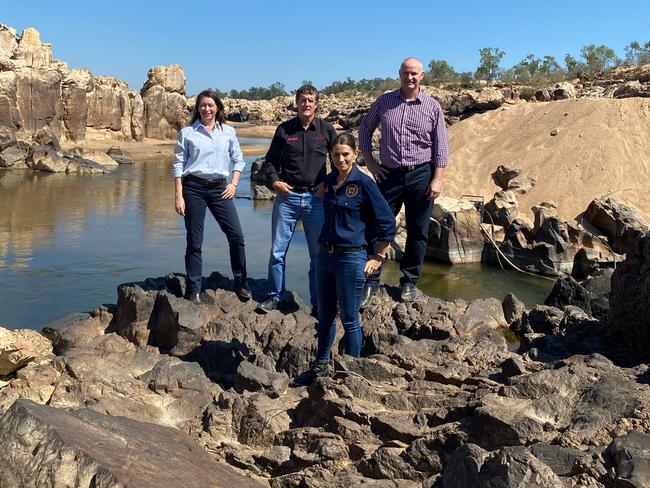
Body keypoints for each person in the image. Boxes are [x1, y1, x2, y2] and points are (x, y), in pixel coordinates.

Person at [292, 133, 395, 386]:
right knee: (325, 317)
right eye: (336, 154)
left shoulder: (364, 183)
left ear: (355, 154)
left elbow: (387, 222)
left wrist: (378, 257)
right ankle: (320, 367)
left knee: (350, 319)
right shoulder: (329, 181)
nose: (341, 159)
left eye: (345, 154)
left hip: (351, 258)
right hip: (325, 257)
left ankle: (350, 374)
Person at [358, 57, 449, 306]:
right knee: (378, 226)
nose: (410, 77)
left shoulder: (432, 107)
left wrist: (437, 179)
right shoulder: (384, 101)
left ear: (422, 76)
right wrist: (370, 163)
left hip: (421, 174)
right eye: (406, 73)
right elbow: (364, 129)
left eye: (414, 74)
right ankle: (371, 280)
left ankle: (409, 281)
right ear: (400, 74)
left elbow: (441, 146)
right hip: (389, 174)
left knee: (418, 231)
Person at [256, 85, 337, 315]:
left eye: (311, 100)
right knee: (277, 252)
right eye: (303, 100)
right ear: (296, 103)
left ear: (317, 104)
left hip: (316, 199)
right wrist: (274, 182)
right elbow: (270, 161)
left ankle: (318, 303)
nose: (307, 104)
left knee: (318, 255)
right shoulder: (284, 129)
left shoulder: (326, 130)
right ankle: (275, 296)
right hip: (287, 198)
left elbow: (340, 160)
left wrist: (328, 183)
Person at [173, 89, 251, 305]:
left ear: (218, 107)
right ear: (198, 108)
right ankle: (194, 289)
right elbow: (178, 164)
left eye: (211, 105)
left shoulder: (228, 132)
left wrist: (234, 184)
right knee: (195, 241)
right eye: (203, 105)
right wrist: (179, 195)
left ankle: (241, 282)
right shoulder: (187, 132)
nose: (207, 109)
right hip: (193, 188)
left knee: (236, 236)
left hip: (220, 189)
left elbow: (239, 160)